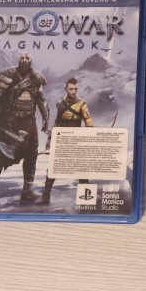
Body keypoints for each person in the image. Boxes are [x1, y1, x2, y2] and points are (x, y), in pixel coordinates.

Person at [0, 52, 49, 204]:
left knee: (32, 154)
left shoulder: (37, 78)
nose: (24, 60)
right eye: (22, 58)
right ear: (19, 60)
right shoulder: (8, 75)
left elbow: (41, 100)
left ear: (31, 60)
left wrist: (46, 117)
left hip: (29, 121)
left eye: (27, 58)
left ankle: (27, 190)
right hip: (9, 121)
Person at [37, 77, 93, 205]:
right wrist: (50, 137)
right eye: (71, 89)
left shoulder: (82, 104)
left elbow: (89, 123)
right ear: (66, 89)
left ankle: (86, 201)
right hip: (62, 140)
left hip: (77, 141)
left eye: (75, 89)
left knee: (82, 170)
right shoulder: (60, 103)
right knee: (53, 167)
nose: (73, 91)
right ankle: (45, 197)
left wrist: (90, 139)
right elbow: (57, 121)